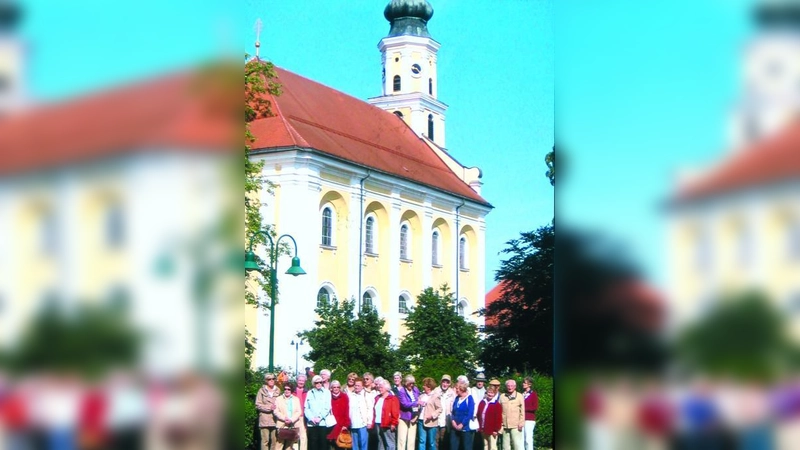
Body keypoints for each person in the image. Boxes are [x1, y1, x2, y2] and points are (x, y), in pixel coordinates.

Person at [305, 375, 335, 450]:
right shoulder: (309, 393)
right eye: (316, 382)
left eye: (320, 382)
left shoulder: (327, 392)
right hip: (312, 424)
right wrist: (312, 418)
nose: (318, 384)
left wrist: (319, 417)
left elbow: (327, 407)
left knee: (323, 445)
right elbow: (306, 408)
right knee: (313, 444)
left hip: (323, 423)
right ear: (313, 383)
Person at [370, 378, 399, 450]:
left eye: (381, 387)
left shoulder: (392, 398)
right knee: (380, 442)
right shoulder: (377, 398)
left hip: (388, 424)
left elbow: (395, 412)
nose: (380, 389)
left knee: (390, 443)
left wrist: (394, 423)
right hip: (378, 423)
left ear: (386, 388)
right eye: (379, 387)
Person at [257, 373, 281, 450]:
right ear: (266, 380)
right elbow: (258, 405)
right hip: (264, 419)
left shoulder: (278, 390)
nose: (271, 380)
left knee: (274, 441)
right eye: (269, 379)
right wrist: (269, 407)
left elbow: (281, 403)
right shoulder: (261, 391)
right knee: (265, 441)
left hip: (275, 419)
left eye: (273, 379)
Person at [275, 382, 303, 450]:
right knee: (279, 444)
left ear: (291, 390)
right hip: (282, 424)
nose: (287, 391)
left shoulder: (296, 399)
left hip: (292, 425)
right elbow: (276, 411)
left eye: (289, 389)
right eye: (285, 389)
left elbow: (299, 411)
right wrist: (284, 418)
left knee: (289, 445)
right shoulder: (278, 399)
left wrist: (291, 419)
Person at [397, 375, 421, 450]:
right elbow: (404, 404)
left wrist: (416, 416)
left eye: (413, 383)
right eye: (410, 383)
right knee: (402, 439)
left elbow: (419, 400)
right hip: (403, 417)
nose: (412, 385)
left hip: (414, 417)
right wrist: (416, 403)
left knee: (411, 440)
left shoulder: (416, 390)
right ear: (405, 383)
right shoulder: (402, 391)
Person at [450, 383, 476, 450]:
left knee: (466, 447)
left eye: (457, 388)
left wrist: (462, 424)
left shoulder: (469, 399)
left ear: (462, 389)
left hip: (465, 428)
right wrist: (453, 421)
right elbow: (453, 411)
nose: (456, 390)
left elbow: (470, 413)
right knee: (453, 446)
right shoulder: (457, 398)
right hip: (455, 427)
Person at [418, 377, 442, 450]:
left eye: (424, 385)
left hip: (431, 422)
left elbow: (440, 409)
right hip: (421, 421)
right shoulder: (421, 396)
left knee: (431, 443)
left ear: (429, 387)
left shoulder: (435, 396)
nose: (423, 386)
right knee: (421, 441)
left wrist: (432, 415)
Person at [499, 380, 523, 450]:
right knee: (505, 446)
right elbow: (499, 410)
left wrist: (521, 422)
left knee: (517, 445)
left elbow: (522, 411)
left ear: (515, 387)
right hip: (505, 425)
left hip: (516, 425)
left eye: (512, 386)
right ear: (506, 387)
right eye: (508, 386)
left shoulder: (519, 396)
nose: (510, 387)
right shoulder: (502, 396)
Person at [433, 374, 456, 450]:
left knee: (444, 441)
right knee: (435, 441)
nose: (445, 384)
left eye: (447, 382)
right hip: (436, 420)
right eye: (444, 382)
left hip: (446, 421)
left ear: (449, 384)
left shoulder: (452, 393)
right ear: (441, 382)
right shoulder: (435, 391)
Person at [349, 377, 372, 450]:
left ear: (362, 386)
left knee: (363, 444)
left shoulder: (366, 395)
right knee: (354, 445)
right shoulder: (351, 395)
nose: (356, 387)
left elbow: (370, 409)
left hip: (363, 423)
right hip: (353, 424)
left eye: (358, 385)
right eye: (355, 385)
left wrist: (369, 422)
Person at [327, 381, 352, 449]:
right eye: (334, 387)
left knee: (341, 445)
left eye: (338, 387)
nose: (336, 388)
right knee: (331, 446)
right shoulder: (328, 396)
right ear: (331, 388)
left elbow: (347, 411)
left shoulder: (344, 396)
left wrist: (345, 425)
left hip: (342, 425)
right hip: (331, 425)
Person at [477, 386, 502, 450]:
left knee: (492, 447)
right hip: (483, 428)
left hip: (492, 430)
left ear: (494, 394)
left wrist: (496, 430)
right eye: (489, 392)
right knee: (485, 445)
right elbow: (478, 415)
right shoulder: (482, 402)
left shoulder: (497, 404)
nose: (490, 394)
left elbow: (498, 418)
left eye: (492, 393)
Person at [520, 377, 538, 450]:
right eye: (523, 382)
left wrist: (524, 409)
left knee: (528, 439)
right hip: (521, 419)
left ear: (529, 384)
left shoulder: (533, 394)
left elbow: (535, 407)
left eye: (525, 383)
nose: (523, 384)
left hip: (529, 419)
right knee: (521, 439)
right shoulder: (522, 394)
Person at [364, 374, 380, 450]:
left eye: (367, 379)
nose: (365, 380)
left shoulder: (376, 392)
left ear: (372, 381)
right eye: (364, 379)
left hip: (375, 419)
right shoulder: (362, 391)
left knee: (374, 441)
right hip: (365, 419)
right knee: (365, 442)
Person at [296, 375, 310, 450]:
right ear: (297, 381)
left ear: (305, 382)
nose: (301, 382)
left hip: (303, 416)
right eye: (299, 380)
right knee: (294, 436)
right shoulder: (292, 391)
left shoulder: (307, 392)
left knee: (303, 436)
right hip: (294, 417)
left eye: (302, 381)